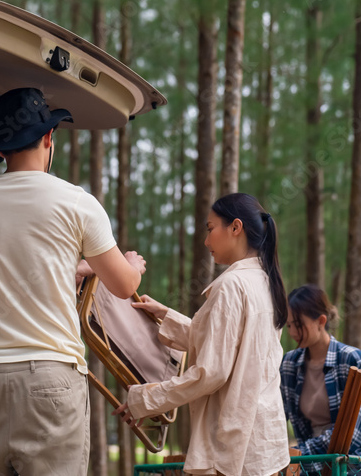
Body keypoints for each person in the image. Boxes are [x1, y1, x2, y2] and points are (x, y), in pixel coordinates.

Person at [0, 87, 146, 476]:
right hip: (51, 380)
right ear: (48, 138)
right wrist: (132, 265)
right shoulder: (76, 203)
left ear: (1, 149)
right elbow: (124, 286)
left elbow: (12, 266)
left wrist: (75, 269)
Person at [115, 193, 290, 476]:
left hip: (234, 444)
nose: (207, 241)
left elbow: (212, 371)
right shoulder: (266, 281)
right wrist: (166, 315)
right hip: (264, 443)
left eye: (210, 229)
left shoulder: (232, 285)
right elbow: (227, 344)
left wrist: (144, 399)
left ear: (235, 227)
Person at [280, 285, 361, 461]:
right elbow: (276, 416)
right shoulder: (289, 364)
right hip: (318, 461)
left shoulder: (352, 360)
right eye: (289, 325)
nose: (292, 332)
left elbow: (353, 434)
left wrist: (298, 453)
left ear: (321, 321)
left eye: (299, 325)